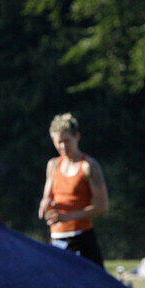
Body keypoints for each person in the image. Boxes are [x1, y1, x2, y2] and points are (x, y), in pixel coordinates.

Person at [38, 114, 109, 267]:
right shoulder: (53, 165)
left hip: (82, 239)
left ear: (77, 137)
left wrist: (68, 217)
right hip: (57, 239)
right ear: (53, 141)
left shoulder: (88, 166)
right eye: (59, 142)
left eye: (67, 141)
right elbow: (48, 197)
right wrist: (44, 203)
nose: (63, 147)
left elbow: (102, 207)